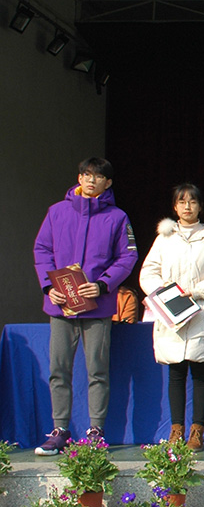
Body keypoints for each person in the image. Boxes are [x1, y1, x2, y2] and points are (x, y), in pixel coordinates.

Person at [33, 158, 138, 454]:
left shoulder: (118, 217)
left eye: (99, 176)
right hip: (61, 306)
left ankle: (96, 431)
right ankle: (60, 430)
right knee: (58, 368)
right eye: (87, 175)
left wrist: (103, 285)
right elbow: (42, 249)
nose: (92, 180)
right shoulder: (57, 211)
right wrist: (49, 286)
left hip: (98, 306)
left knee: (97, 370)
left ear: (108, 183)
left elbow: (128, 256)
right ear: (79, 178)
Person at [139, 183, 204, 451]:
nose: (187, 206)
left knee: (201, 370)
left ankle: (197, 431)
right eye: (182, 202)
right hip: (172, 313)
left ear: (200, 206)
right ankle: (176, 429)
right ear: (174, 207)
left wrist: (197, 291)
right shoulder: (165, 238)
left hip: (201, 312)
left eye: (193, 202)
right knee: (176, 371)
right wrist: (165, 295)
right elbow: (148, 272)